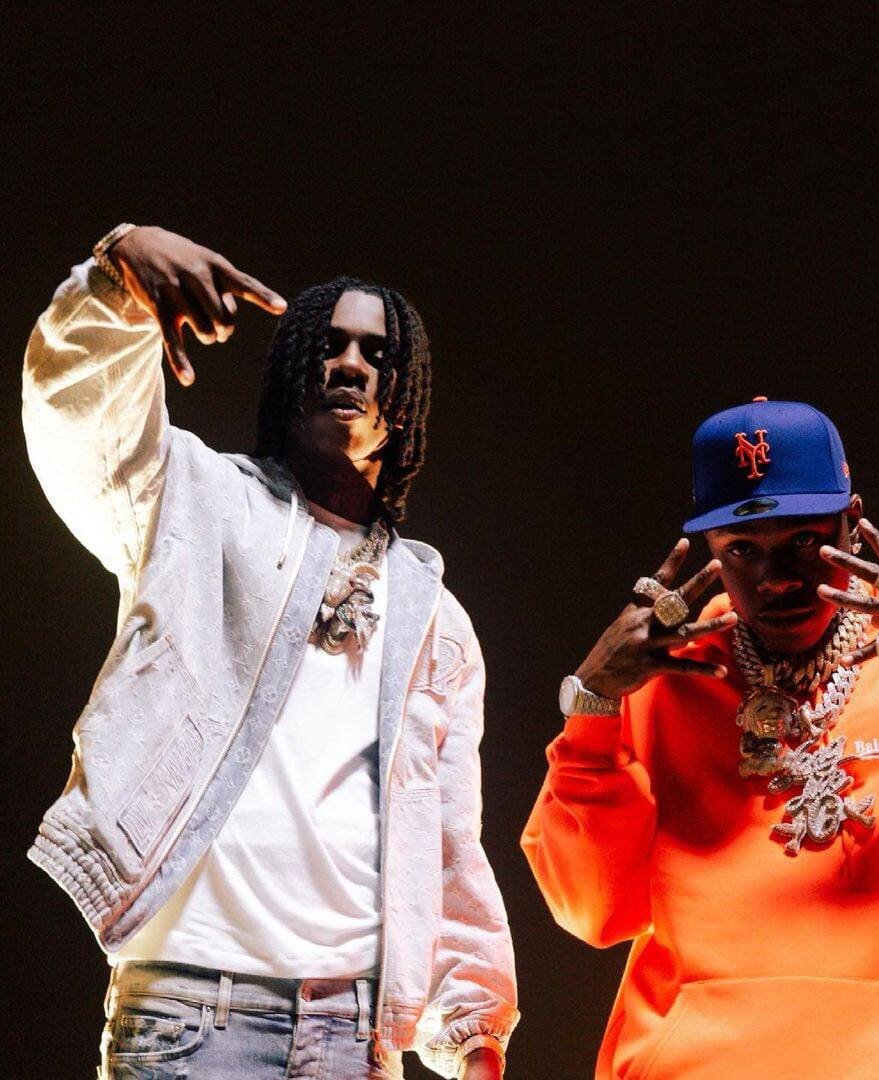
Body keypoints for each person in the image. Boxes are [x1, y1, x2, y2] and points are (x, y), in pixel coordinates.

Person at [23, 224, 517, 1079]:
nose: (350, 364)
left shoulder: (436, 616)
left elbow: (446, 840)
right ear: (291, 372)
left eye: (377, 354)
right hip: (185, 1019)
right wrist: (117, 276)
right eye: (329, 345)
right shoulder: (198, 503)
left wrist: (474, 1028)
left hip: (355, 1037)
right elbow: (78, 422)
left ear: (405, 399)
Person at [522, 397, 879, 1079]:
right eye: (743, 550)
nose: (777, 578)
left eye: (805, 542)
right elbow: (591, 911)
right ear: (711, 547)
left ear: (853, 522)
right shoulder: (659, 676)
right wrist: (592, 706)